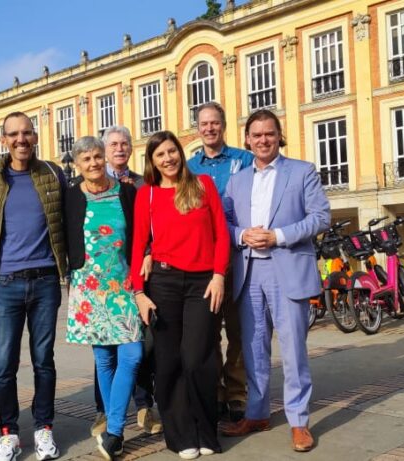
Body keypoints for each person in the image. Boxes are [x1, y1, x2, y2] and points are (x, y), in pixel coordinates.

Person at [219, 110, 329, 452]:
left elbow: (321, 216)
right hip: (249, 273)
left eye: (269, 133)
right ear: (247, 140)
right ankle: (257, 413)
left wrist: (278, 236)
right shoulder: (237, 181)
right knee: (253, 350)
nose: (263, 140)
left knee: (294, 351)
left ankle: (299, 421)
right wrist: (240, 235)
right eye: (256, 134)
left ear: (279, 136)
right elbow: (222, 223)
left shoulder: (302, 171)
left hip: (288, 269)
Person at [130, 131, 230, 459]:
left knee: (199, 358)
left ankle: (205, 431)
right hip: (164, 283)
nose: (168, 158)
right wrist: (139, 293)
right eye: (160, 155)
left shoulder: (203, 185)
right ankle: (180, 435)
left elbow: (221, 235)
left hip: (203, 282)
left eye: (172, 151)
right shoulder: (146, 195)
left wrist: (218, 276)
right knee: (169, 361)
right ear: (152, 162)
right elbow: (138, 244)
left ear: (180, 153)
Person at [0, 111, 67, 461]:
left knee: (43, 360)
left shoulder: (52, 173)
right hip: (5, 283)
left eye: (27, 133)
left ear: (35, 136)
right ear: (3, 140)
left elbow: (72, 214)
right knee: (4, 363)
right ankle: (9, 433)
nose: (21, 140)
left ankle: (43, 428)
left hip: (46, 279)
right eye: (13, 134)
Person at [63, 136, 141, 460]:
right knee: (104, 359)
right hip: (88, 286)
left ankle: (115, 429)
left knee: (133, 354)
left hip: (123, 285)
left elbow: (139, 234)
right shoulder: (70, 197)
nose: (93, 163)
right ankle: (115, 432)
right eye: (86, 160)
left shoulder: (126, 192)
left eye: (97, 157)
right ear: (78, 165)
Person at [89, 126, 161, 438]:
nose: (119, 148)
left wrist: (148, 253)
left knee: (140, 345)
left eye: (124, 144)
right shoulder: (90, 184)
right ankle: (104, 412)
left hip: (137, 274)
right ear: (104, 150)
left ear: (131, 149)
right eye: (113, 144)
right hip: (103, 279)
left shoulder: (144, 183)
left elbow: (153, 225)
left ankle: (144, 405)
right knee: (104, 348)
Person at [186, 102, 253, 422]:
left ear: (224, 126)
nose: (209, 128)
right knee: (208, 330)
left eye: (215, 123)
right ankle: (213, 391)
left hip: (239, 256)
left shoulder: (244, 160)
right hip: (203, 258)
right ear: (197, 128)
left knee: (240, 329)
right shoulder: (188, 167)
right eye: (204, 124)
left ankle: (237, 392)